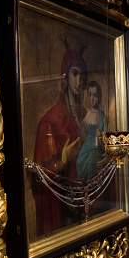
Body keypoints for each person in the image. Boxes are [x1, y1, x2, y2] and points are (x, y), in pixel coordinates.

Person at [32, 47, 87, 236]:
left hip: (87, 202)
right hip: (64, 207)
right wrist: (63, 160)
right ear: (65, 76)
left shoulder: (87, 118)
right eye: (75, 74)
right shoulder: (50, 121)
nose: (79, 81)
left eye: (83, 75)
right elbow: (40, 177)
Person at [76, 80, 108, 182]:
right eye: (90, 95)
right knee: (79, 161)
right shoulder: (88, 114)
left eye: (95, 95)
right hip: (88, 143)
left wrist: (101, 134)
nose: (92, 99)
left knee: (92, 156)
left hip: (97, 144)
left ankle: (91, 182)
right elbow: (82, 131)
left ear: (99, 97)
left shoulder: (102, 115)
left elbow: (106, 134)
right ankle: (84, 184)